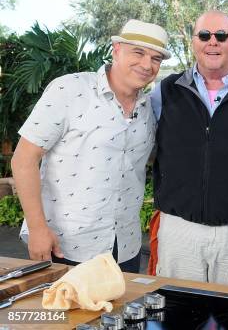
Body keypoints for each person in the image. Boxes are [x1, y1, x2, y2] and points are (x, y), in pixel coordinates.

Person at [12, 19, 170, 272]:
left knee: (120, 312)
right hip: (65, 244)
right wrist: (38, 227)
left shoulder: (149, 108)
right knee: (62, 311)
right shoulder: (69, 89)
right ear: (116, 49)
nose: (146, 64)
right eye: (138, 52)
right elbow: (23, 160)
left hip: (125, 245)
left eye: (156, 59)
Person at [151, 10, 228, 287]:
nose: (212, 42)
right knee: (177, 311)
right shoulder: (165, 91)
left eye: (221, 36)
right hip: (179, 227)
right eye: (204, 35)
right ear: (193, 42)